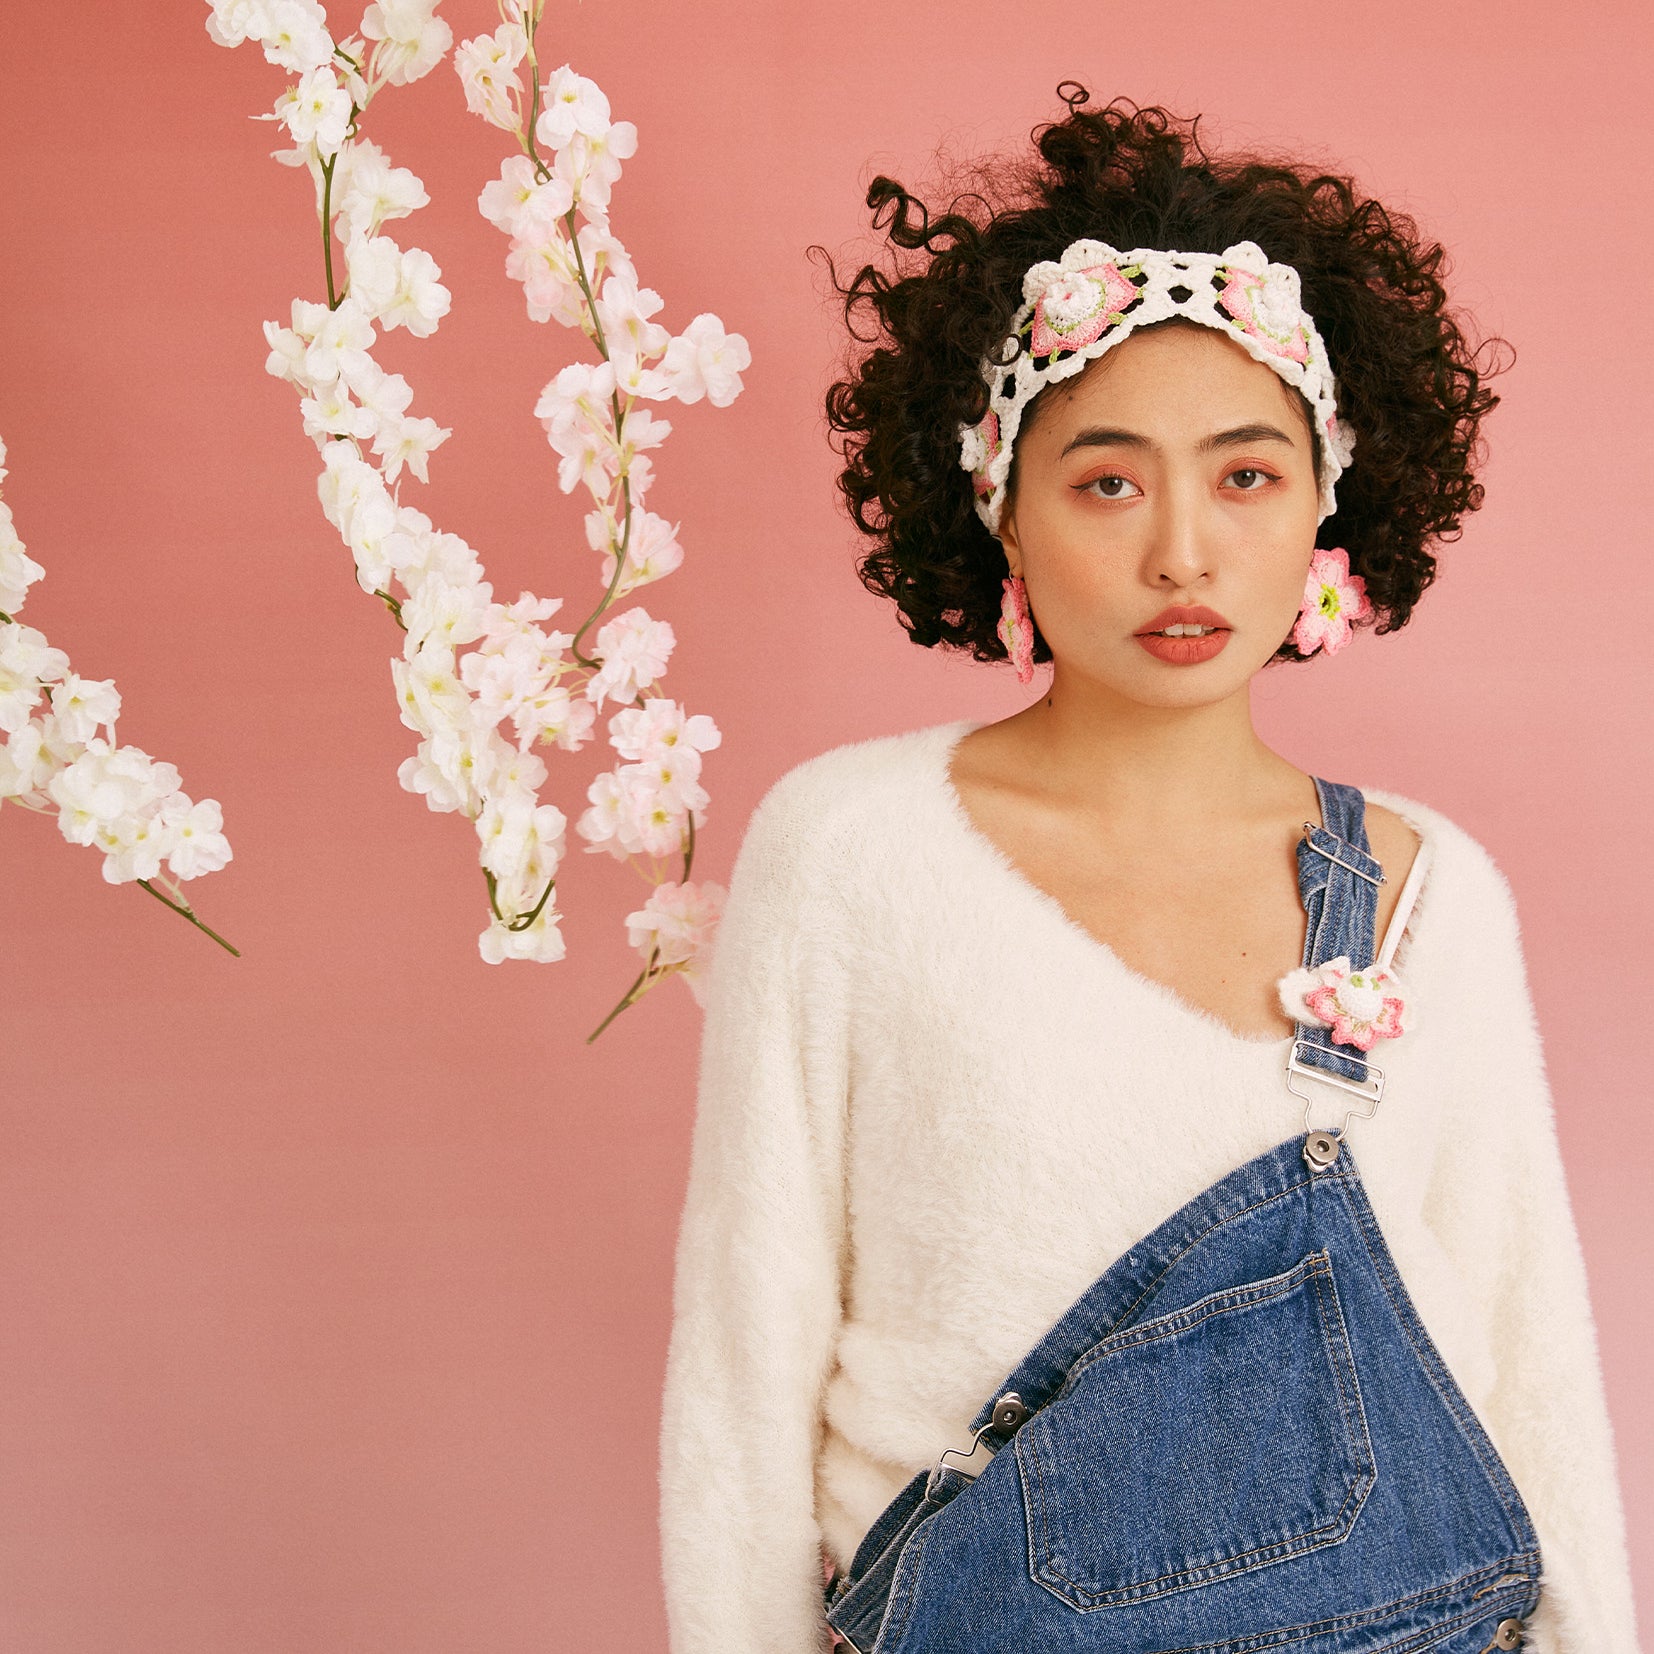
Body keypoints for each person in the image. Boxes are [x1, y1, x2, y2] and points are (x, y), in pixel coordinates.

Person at [656, 91, 1640, 1653]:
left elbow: (1527, 1357)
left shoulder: (1423, 888)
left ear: (1326, 502)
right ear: (1001, 512)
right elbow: (742, 1351)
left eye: (1244, 476)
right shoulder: (847, 849)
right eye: (1107, 480)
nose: (1181, 550)